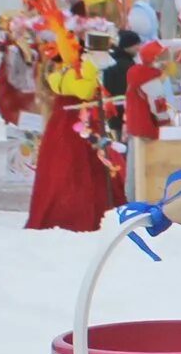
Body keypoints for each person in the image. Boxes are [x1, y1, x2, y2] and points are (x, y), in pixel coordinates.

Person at [24, 31, 118, 231]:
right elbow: (84, 91)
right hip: (75, 124)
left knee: (78, 166)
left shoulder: (64, 73)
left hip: (71, 122)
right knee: (72, 167)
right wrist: (91, 71)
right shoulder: (70, 73)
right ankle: (74, 214)